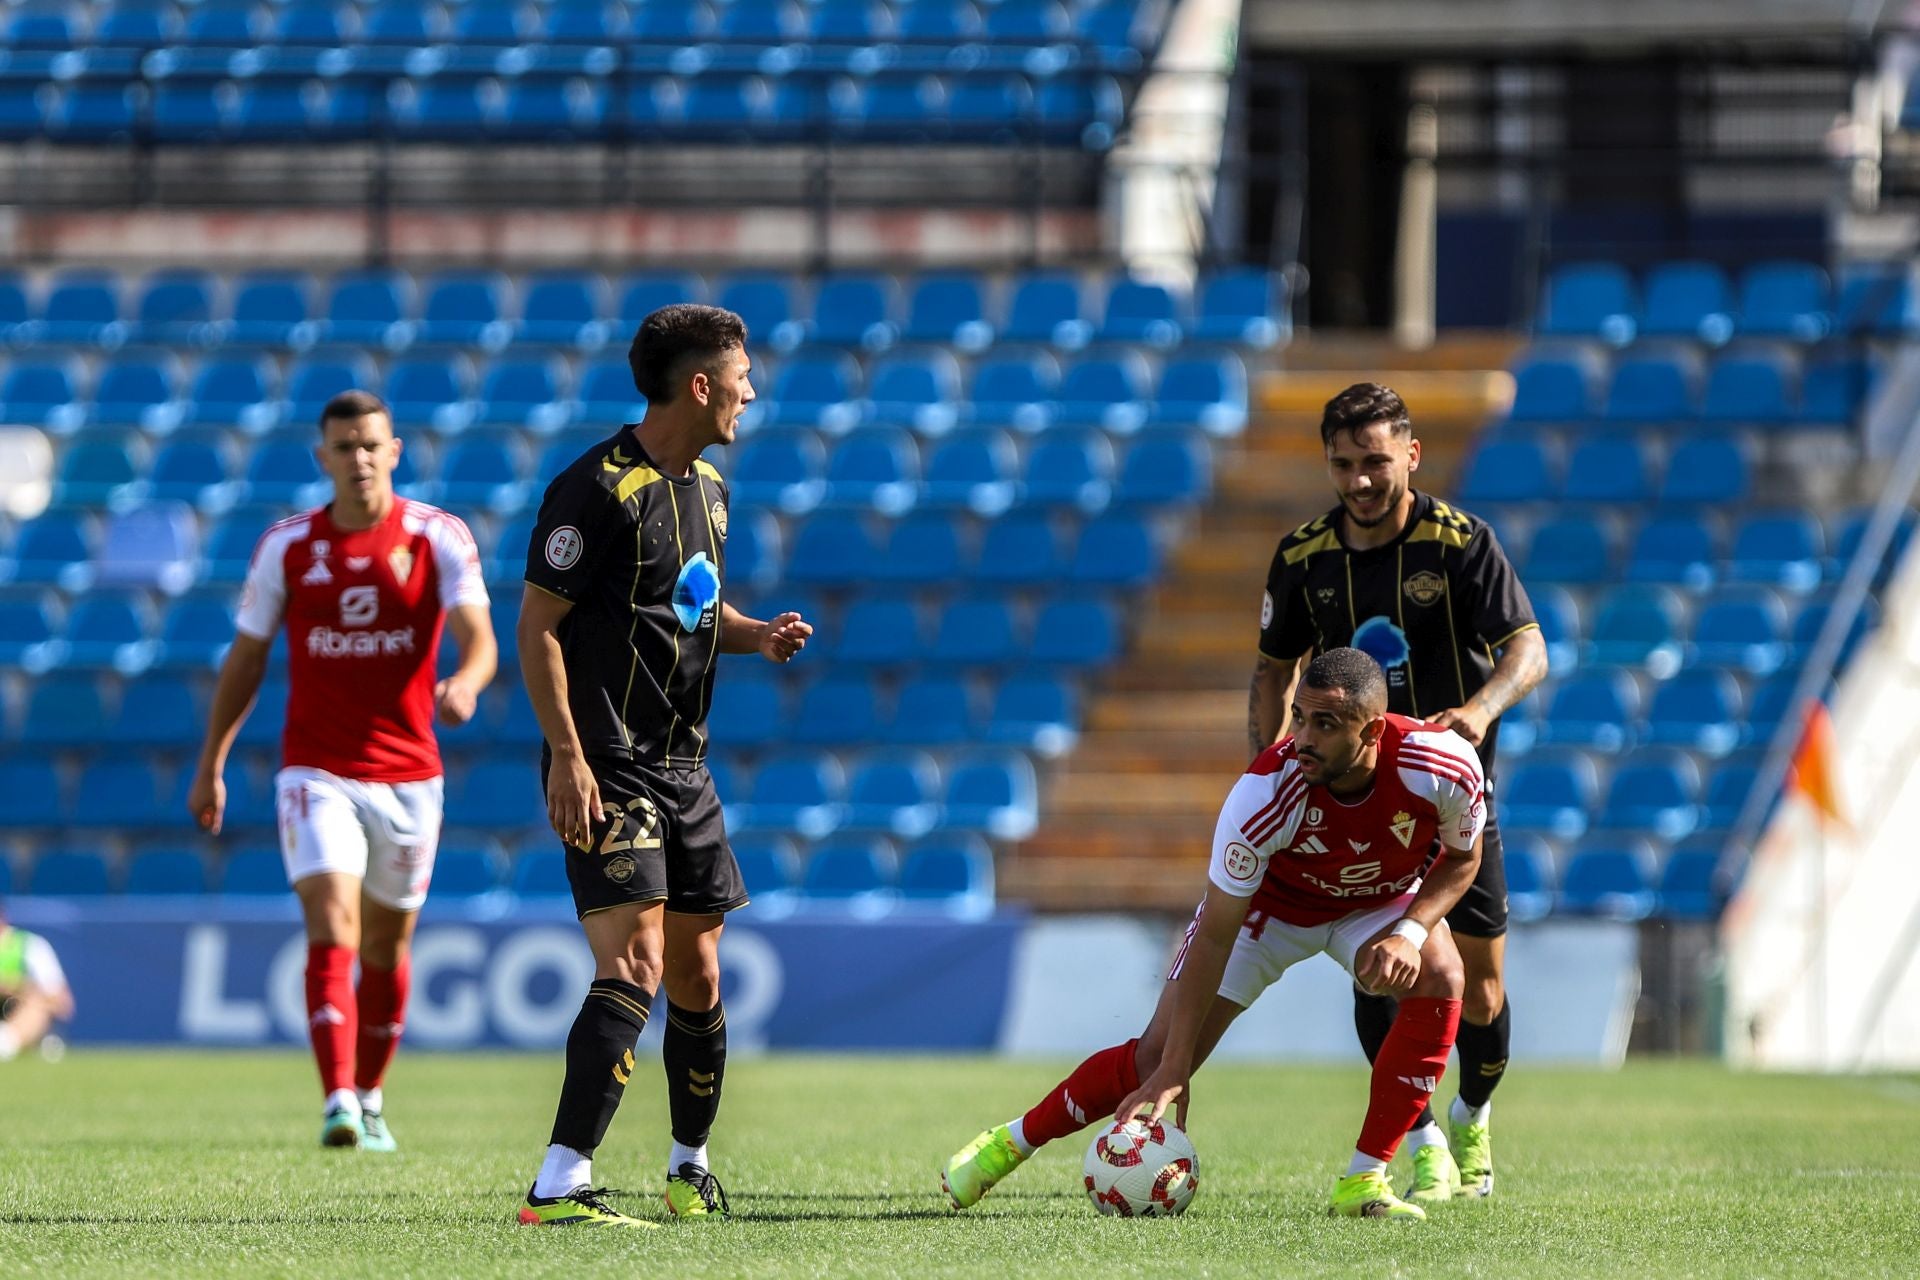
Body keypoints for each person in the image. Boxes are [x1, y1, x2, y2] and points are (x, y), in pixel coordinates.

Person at [942, 648, 1484, 1221]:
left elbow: (1462, 858)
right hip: (1268, 911)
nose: (1302, 737)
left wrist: (1411, 931)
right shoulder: (1264, 795)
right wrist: (1176, 1066)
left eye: (1325, 724)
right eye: (1299, 717)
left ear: (1373, 730)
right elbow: (1216, 933)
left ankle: (1363, 1181)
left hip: (1376, 903)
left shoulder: (1443, 765)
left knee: (1444, 974)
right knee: (1155, 1058)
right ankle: (1009, 1143)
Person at [514, 303, 811, 1229]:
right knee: (637, 961)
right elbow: (538, 630)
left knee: (698, 978)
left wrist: (755, 637)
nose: (750, 391)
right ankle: (559, 1183)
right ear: (700, 384)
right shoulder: (595, 489)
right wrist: (567, 756)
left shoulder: (711, 490)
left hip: (687, 769)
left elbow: (688, 611)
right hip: (608, 763)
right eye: (742, 375)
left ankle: (689, 1170)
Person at [1248, 381, 1547, 1200]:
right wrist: (1266, 769)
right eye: (1343, 464)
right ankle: (1414, 1138)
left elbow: (1528, 648)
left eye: (1375, 461)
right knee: (1380, 973)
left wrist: (1480, 712)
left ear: (1410, 454)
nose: (1359, 480)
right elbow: (1275, 668)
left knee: (1481, 991)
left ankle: (1472, 1117)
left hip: (1450, 805)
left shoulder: (1460, 543)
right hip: (1354, 808)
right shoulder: (1305, 556)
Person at [188, 388, 496, 1151]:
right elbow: (248, 658)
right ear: (322, 457)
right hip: (316, 770)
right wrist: (212, 761)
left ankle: (371, 1092)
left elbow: (481, 636)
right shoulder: (288, 547)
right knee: (332, 924)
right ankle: (338, 1103)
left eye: (371, 445)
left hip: (410, 775)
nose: (358, 459)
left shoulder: (436, 536)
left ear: (394, 451)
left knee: (387, 949)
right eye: (343, 447)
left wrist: (467, 681)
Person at [0, 897, 74, 1062]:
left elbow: (62, 1003)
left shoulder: (30, 945)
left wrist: (17, 987)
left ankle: (7, 1042)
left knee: (37, 1003)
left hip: (18, 1013)